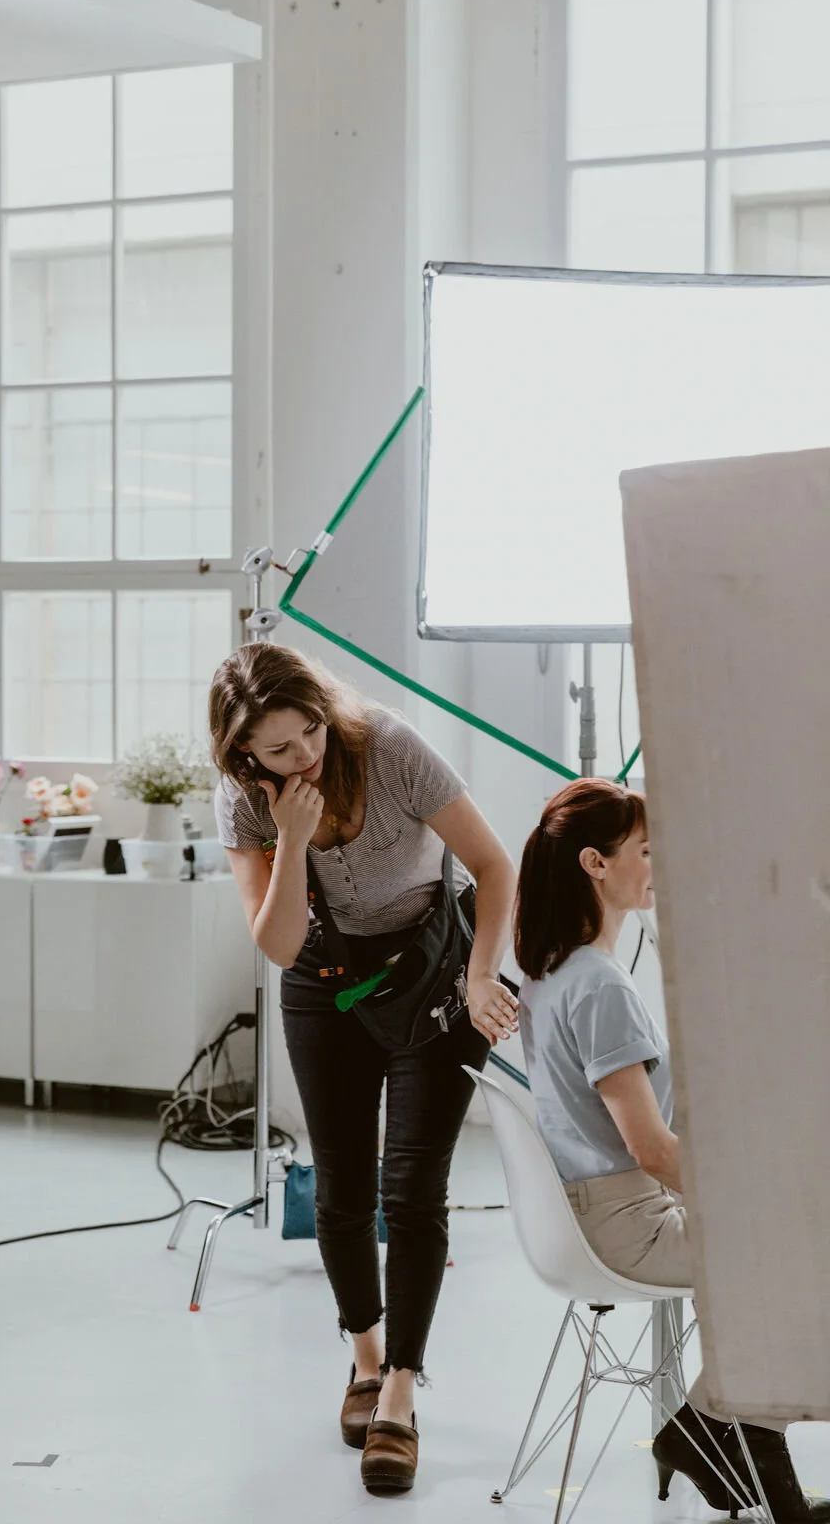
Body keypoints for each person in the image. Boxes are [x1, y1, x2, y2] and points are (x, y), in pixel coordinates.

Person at [209, 642, 518, 1493]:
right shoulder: (245, 803)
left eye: (308, 730)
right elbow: (274, 943)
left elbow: (494, 866)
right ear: (244, 755)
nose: (305, 754)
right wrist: (294, 836)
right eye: (279, 748)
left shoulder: (387, 745)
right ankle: (366, 1361)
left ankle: (403, 1398)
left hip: (432, 979)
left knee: (412, 1192)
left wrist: (485, 973)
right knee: (342, 1192)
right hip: (324, 986)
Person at [514, 777, 830, 1523]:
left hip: (593, 1215)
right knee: (806, 1258)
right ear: (596, 863)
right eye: (648, 850)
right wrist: (749, 1199)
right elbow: (653, 1151)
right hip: (631, 1224)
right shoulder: (599, 986)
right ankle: (713, 1429)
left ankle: (718, 1433)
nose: (663, 863)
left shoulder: (552, 971)